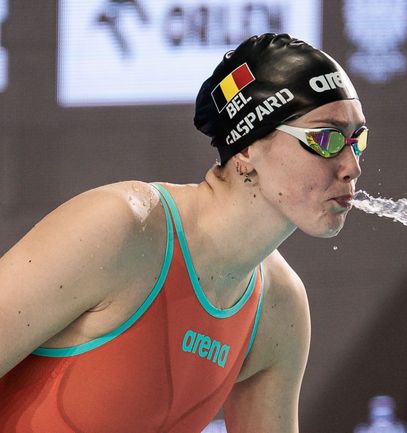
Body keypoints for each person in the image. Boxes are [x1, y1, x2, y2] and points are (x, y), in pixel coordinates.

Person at [0, 33, 368, 433]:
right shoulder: (123, 229)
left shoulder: (278, 307)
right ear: (247, 148)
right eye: (325, 139)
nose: (352, 166)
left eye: (357, 141)